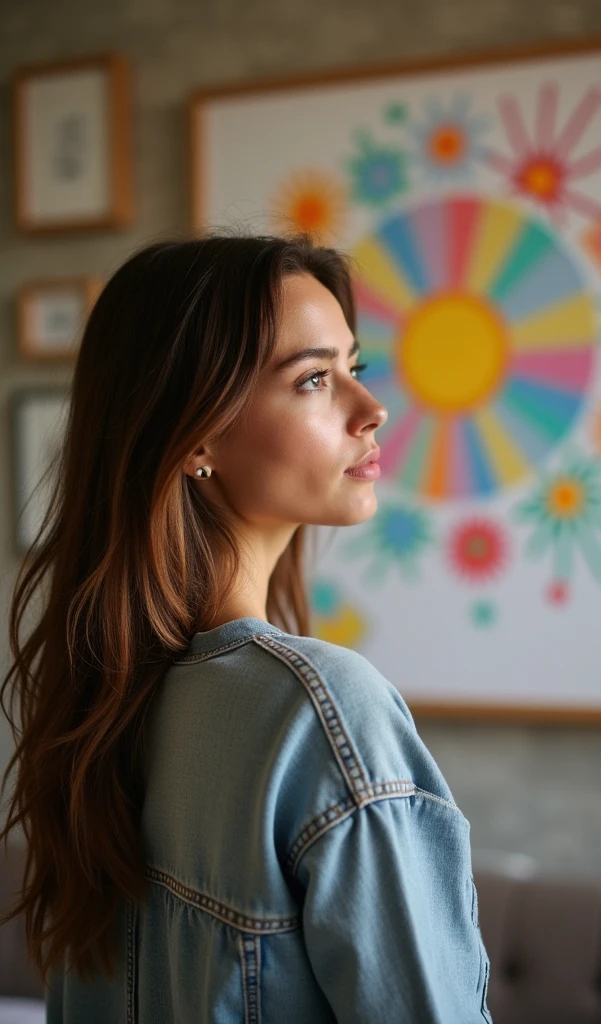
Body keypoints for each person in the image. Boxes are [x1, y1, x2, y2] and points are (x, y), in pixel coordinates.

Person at [0, 232, 493, 1023]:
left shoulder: (96, 708)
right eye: (313, 379)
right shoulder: (323, 712)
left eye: (354, 369)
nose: (372, 410)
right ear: (196, 433)